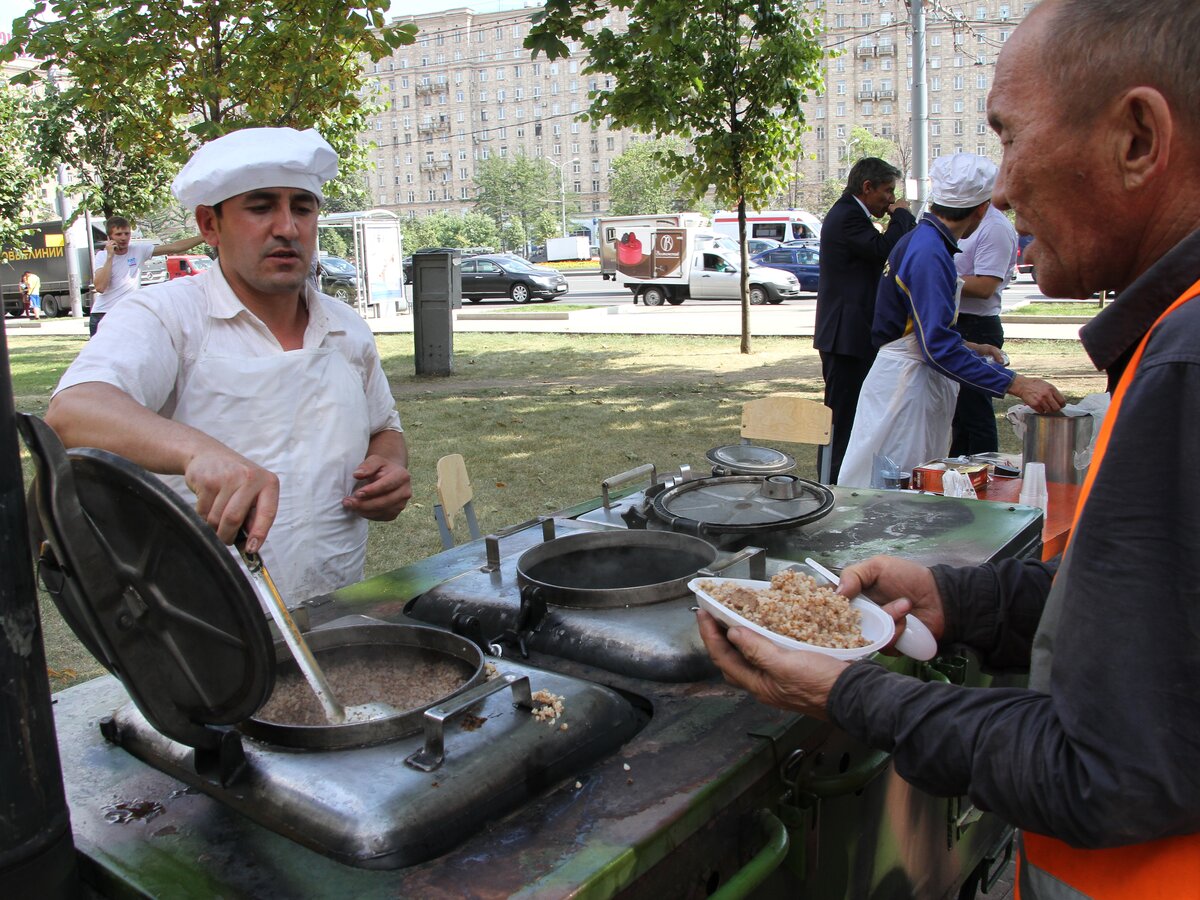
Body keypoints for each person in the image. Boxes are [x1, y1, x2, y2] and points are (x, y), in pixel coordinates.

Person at [699, 0, 1200, 895]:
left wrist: (851, 694)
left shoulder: (1185, 365)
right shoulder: (1168, 338)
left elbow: (1106, 769)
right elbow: (1154, 623)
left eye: (1013, 138)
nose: (1003, 191)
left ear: (1137, 138)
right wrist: (967, 600)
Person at [46, 127, 412, 605]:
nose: (287, 227)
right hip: (204, 626)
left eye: (302, 207)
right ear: (210, 225)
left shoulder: (346, 327)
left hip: (335, 610)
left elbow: (384, 427)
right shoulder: (167, 315)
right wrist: (197, 453)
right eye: (260, 207)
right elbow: (73, 412)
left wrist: (389, 465)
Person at [836, 153, 1063, 488]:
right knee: (898, 492)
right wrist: (1018, 383)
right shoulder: (929, 251)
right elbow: (937, 348)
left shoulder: (922, 240)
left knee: (895, 486)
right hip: (906, 390)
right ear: (982, 209)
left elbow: (917, 327)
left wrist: (971, 346)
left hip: (905, 378)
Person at [813, 158, 916, 482]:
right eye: (887, 191)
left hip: (851, 334)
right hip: (845, 336)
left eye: (894, 193)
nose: (890, 198)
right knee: (841, 419)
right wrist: (901, 214)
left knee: (851, 416)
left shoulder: (852, 215)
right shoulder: (847, 216)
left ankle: (841, 480)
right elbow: (884, 249)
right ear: (867, 187)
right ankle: (831, 485)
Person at [949, 202, 1020, 456]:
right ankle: (958, 476)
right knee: (960, 416)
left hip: (978, 324)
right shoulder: (966, 220)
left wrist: (940, 273)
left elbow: (985, 287)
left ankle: (985, 475)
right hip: (960, 320)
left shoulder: (995, 227)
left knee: (976, 413)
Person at [90, 216, 204, 336]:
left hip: (129, 313)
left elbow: (174, 247)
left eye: (127, 234)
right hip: (103, 314)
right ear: (110, 237)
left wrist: (204, 237)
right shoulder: (102, 256)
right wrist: (110, 257)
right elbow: (100, 287)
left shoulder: (138, 250)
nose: (123, 238)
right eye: (118, 234)